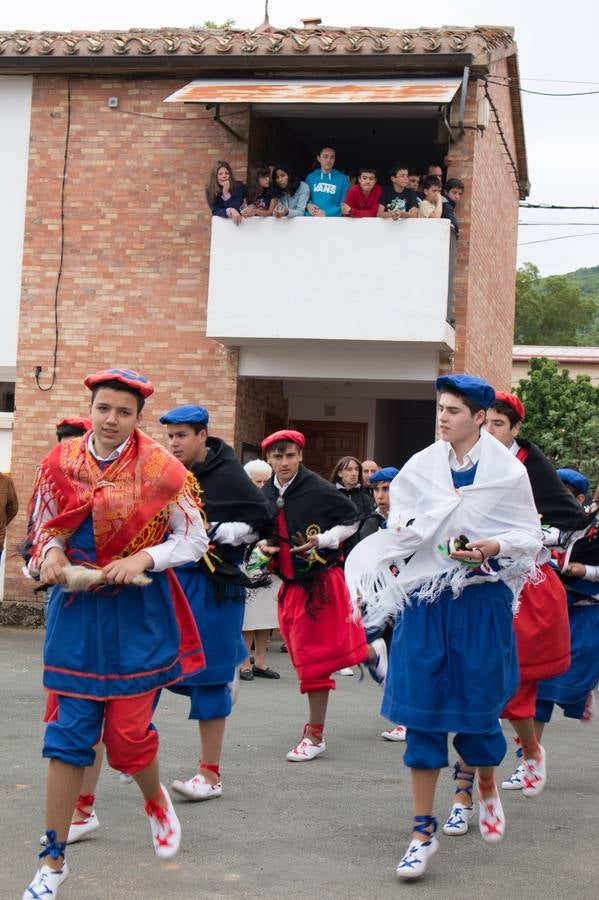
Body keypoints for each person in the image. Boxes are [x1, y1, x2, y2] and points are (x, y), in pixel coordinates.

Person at [345, 374, 542, 881]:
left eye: (454, 410)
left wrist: (489, 548)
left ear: (480, 418)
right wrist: (416, 539)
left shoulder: (507, 473)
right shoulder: (421, 468)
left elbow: (528, 534)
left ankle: (487, 787)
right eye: (441, 408)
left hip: (481, 602)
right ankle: (420, 832)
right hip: (426, 601)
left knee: (478, 709)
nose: (443, 417)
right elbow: (402, 528)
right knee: (422, 711)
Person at [23, 369, 208, 899]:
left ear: (137, 417)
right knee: (66, 739)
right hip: (76, 614)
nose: (111, 420)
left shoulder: (161, 468)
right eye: (104, 408)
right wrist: (51, 556)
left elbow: (193, 539)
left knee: (127, 741)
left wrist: (145, 555)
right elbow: (42, 533)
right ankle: (51, 860)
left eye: (123, 412)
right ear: (92, 408)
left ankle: (154, 801)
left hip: (138, 614)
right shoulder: (59, 463)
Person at [476, 392, 587, 799]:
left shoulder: (530, 465)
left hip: (525, 584)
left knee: (518, 679)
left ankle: (526, 755)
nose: (489, 432)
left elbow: (571, 522)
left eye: (499, 425)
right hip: (477, 580)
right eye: (485, 423)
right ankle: (474, 784)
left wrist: (524, 538)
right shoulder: (469, 460)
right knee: (482, 677)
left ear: (516, 429)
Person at [159, 404, 272, 801]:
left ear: (203, 435)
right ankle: (136, 755)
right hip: (168, 583)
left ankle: (209, 775)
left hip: (215, 587)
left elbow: (261, 522)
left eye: (182, 435)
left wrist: (215, 531)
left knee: (208, 677)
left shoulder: (229, 474)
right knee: (148, 669)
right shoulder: (163, 472)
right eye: (170, 435)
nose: (174, 443)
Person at [258, 430, 387, 761]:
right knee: (314, 654)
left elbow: (352, 520)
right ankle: (370, 652)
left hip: (321, 585)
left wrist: (323, 540)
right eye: (277, 456)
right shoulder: (267, 491)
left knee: (313, 662)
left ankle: (314, 736)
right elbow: (262, 527)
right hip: (290, 586)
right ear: (269, 459)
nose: (284, 462)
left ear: (300, 455)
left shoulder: (317, 487)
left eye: (290, 455)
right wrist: (263, 545)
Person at [535, 467, 599, 739]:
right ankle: (529, 759)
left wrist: (585, 571)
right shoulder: (580, 521)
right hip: (560, 610)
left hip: (590, 613)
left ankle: (580, 694)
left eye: (565, 494)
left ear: (580, 497)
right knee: (539, 684)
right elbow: (549, 538)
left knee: (570, 682)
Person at [240, 459, 280, 681]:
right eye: (258, 481)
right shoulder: (240, 502)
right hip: (247, 561)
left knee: (266, 615)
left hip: (269, 560)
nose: (263, 485)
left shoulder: (275, 502)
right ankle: (244, 663)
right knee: (249, 615)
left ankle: (261, 662)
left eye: (266, 480)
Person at [330, 456, 375, 558]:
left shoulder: (366, 498)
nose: (354, 473)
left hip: (358, 550)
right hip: (334, 550)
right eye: (349, 469)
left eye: (356, 469)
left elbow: (368, 525)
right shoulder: (330, 494)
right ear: (340, 473)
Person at [305, 146, 350, 218]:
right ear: (318, 158)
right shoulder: (310, 177)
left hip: (333, 221)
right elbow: (304, 199)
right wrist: (308, 206)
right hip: (312, 219)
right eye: (325, 157)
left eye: (332, 157)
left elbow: (344, 204)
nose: (329, 160)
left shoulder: (343, 179)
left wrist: (327, 213)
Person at [206, 159, 246, 225]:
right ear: (215, 176)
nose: (224, 176)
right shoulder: (210, 189)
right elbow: (215, 210)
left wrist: (226, 194)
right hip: (222, 224)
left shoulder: (238, 186)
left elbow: (237, 207)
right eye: (220, 174)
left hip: (240, 223)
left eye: (227, 173)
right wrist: (230, 210)